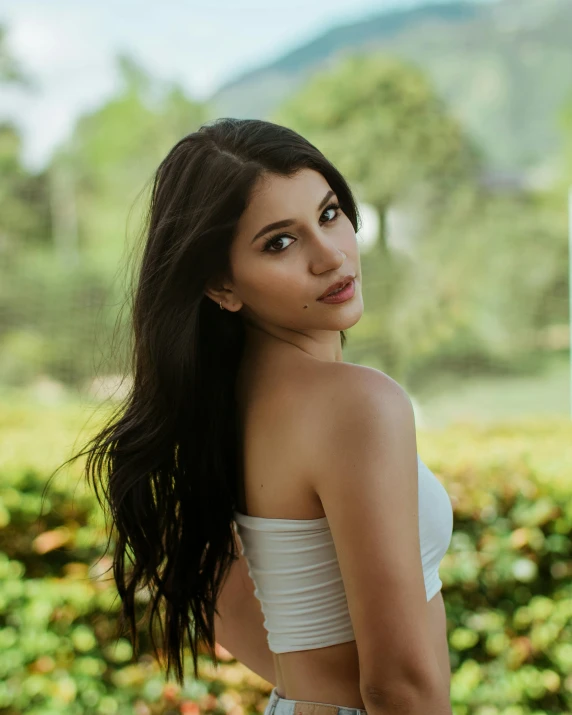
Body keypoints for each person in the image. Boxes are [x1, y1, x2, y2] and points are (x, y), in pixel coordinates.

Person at [65, 118, 454, 715]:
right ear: (221, 284)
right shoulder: (358, 405)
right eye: (280, 242)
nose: (330, 256)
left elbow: (227, 599)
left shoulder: (218, 407)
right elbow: (399, 682)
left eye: (328, 214)